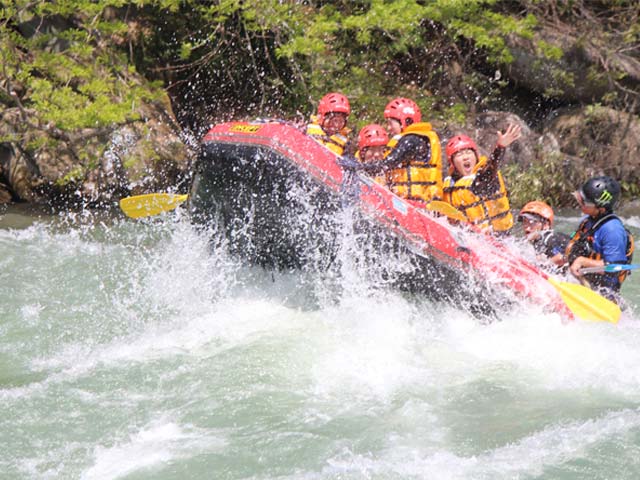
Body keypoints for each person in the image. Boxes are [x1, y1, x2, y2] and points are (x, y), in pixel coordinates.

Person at [442, 124, 521, 234]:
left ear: (476, 156)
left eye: (468, 152)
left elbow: (490, 170)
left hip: (497, 238)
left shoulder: (485, 177)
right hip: (468, 237)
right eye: (459, 154)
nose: (465, 157)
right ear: (452, 163)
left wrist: (500, 147)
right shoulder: (449, 185)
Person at [361, 98, 443, 202]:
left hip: (420, 203)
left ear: (406, 121)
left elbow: (388, 163)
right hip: (408, 201)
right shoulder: (410, 139)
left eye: (391, 123)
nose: (388, 128)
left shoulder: (413, 140)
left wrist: (360, 168)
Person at [566, 176, 634, 300]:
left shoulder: (612, 230)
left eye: (585, 202)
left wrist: (582, 261)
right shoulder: (589, 221)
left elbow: (614, 268)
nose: (580, 203)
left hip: (602, 295)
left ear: (601, 208)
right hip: (579, 282)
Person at [518, 200, 570, 269]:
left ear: (546, 225)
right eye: (525, 222)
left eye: (532, 222)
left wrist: (543, 265)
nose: (527, 227)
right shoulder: (536, 242)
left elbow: (565, 256)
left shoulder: (551, 239)